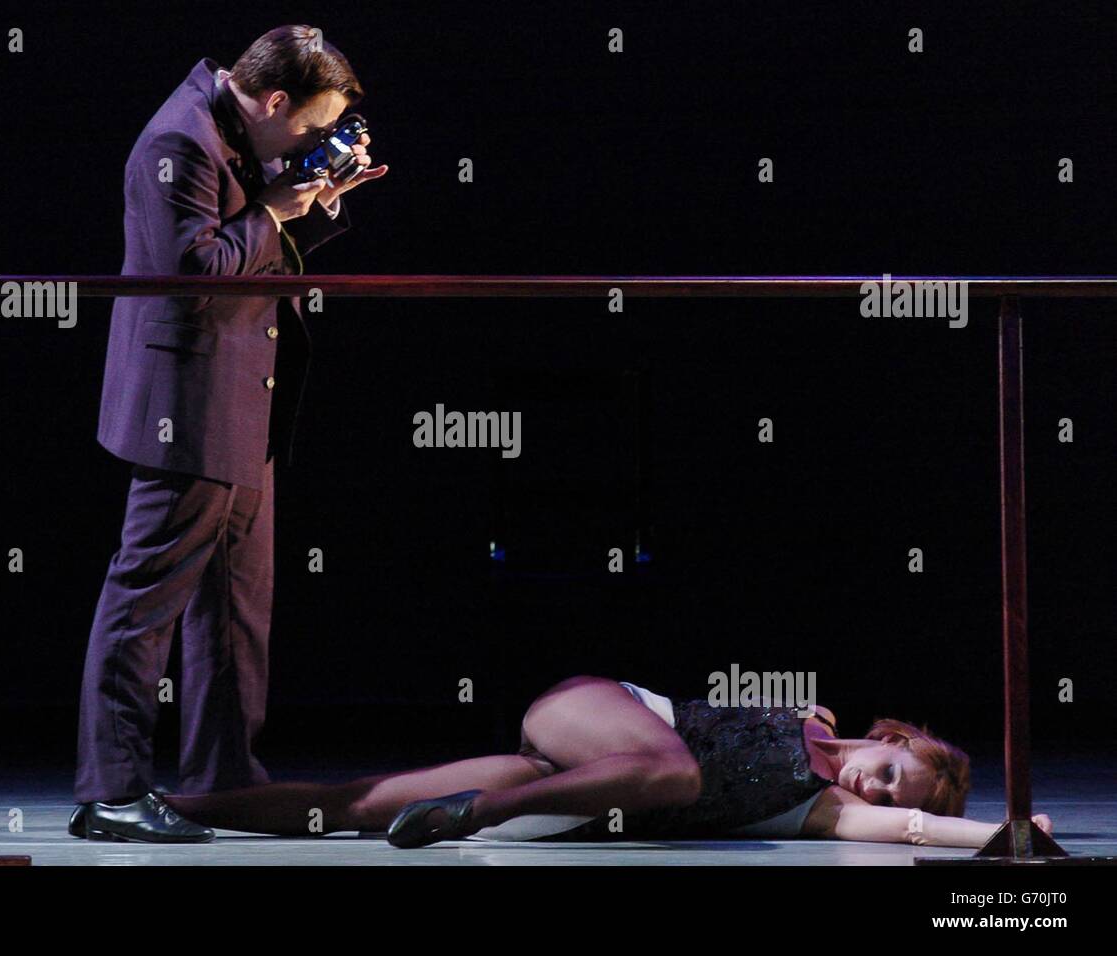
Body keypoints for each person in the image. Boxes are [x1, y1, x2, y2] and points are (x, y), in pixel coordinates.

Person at [70, 24, 388, 843]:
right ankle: (111, 791)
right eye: (314, 128)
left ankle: (223, 782)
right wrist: (280, 205)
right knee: (145, 602)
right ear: (275, 101)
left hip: (245, 402)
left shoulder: (237, 130)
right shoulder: (178, 140)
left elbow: (259, 254)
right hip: (188, 407)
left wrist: (315, 204)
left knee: (236, 609)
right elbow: (192, 276)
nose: (316, 141)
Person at [160, 675, 1055, 849]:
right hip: (600, 715)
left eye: (888, 793)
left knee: (355, 804)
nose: (873, 788)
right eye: (890, 770)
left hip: (577, 795)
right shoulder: (808, 713)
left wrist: (1005, 834)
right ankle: (472, 817)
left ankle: (170, 809)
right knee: (677, 771)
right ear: (889, 740)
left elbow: (910, 828)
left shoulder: (820, 811)